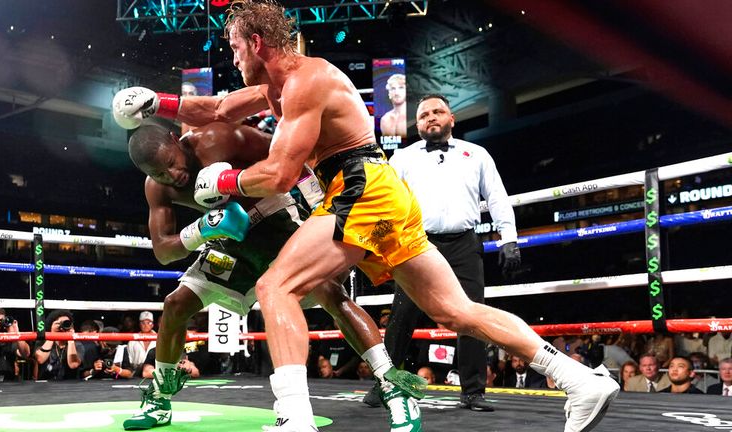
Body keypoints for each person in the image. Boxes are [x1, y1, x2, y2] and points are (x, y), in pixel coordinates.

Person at [112, 1, 619, 430]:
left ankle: (294, 416)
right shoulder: (278, 87)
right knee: (455, 312)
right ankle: (580, 380)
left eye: (236, 47)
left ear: (259, 43)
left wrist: (224, 182)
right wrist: (158, 103)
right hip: (378, 190)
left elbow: (281, 175)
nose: (232, 55)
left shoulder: (307, 82)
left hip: (360, 186)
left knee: (275, 287)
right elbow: (219, 109)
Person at [117, 121, 424, 431]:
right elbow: (163, 250)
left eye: (171, 163)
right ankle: (159, 397)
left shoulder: (217, 138)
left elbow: (290, 154)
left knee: (330, 293)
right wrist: (202, 229)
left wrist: (318, 202)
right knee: (175, 305)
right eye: (159, 173)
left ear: (176, 140)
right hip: (228, 241)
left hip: (275, 218)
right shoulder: (156, 188)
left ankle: (392, 385)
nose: (172, 175)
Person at [364, 93, 521, 412]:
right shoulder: (402, 159)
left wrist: (509, 239)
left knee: (473, 314)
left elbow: (497, 197)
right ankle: (385, 384)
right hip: (416, 243)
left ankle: (474, 391)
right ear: (418, 124)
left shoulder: (476, 154)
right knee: (402, 315)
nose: (431, 117)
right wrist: (376, 248)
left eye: (438, 111)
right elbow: (384, 206)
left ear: (452, 118)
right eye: (424, 115)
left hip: (464, 243)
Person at [34, 310, 85, 380]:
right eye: (58, 323)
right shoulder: (42, 342)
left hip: (70, 385)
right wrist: (52, 335)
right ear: (51, 325)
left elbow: (73, 364)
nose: (62, 325)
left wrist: (71, 338)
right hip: (46, 385)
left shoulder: (77, 344)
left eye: (66, 323)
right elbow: (40, 359)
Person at [379, 74, 407, 138]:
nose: (396, 93)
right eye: (393, 88)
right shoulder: (385, 119)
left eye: (401, 88)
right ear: (389, 93)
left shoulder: (414, 116)